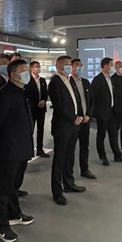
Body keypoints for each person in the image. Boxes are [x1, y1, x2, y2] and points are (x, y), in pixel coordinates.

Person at [0, 59, 34, 242]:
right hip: (8, 150)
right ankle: (1, 226)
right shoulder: (4, 95)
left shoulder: (21, 91)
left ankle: (14, 214)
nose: (26, 73)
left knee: (14, 185)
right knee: (3, 188)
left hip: (22, 147)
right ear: (13, 74)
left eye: (27, 69)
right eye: (23, 70)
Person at [48, 56, 86, 206]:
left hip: (74, 125)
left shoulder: (70, 80)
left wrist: (80, 115)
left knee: (70, 156)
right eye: (66, 64)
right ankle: (57, 192)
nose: (70, 66)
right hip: (63, 126)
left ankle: (69, 183)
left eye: (70, 64)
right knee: (59, 159)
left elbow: (76, 100)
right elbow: (59, 105)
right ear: (58, 67)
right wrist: (73, 118)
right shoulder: (55, 82)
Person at [90, 57, 122, 165]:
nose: (112, 67)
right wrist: (95, 112)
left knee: (113, 133)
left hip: (111, 112)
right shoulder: (98, 80)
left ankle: (117, 155)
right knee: (101, 135)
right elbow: (93, 97)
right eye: (111, 65)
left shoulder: (110, 78)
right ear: (106, 66)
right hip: (102, 113)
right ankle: (102, 157)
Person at [71, 58, 95, 179]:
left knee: (85, 146)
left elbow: (91, 101)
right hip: (74, 121)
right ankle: (69, 173)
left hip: (86, 120)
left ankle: (85, 169)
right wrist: (77, 116)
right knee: (71, 148)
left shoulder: (86, 82)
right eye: (76, 65)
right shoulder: (68, 82)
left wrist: (88, 115)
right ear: (71, 67)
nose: (79, 67)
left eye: (81, 65)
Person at [25, 61, 49, 157]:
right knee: (30, 130)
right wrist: (35, 103)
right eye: (36, 66)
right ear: (31, 68)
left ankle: (40, 149)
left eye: (39, 66)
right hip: (31, 109)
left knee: (40, 129)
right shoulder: (27, 80)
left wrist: (43, 100)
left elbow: (45, 93)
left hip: (41, 109)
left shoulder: (42, 80)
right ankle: (28, 150)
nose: (38, 68)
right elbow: (27, 94)